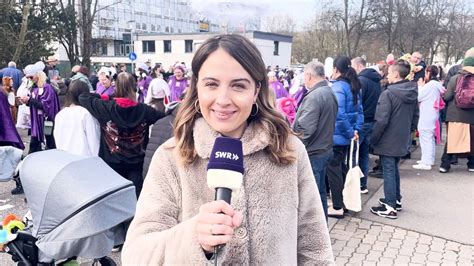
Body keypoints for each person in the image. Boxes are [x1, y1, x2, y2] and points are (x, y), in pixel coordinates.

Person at [122, 34, 333, 264]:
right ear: (197, 88)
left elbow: (315, 251)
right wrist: (193, 238)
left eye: (238, 85)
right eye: (211, 84)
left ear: (255, 91)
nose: (223, 99)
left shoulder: (289, 151)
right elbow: (137, 255)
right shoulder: (172, 156)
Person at [78, 72, 165, 197]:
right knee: (136, 200)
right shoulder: (145, 110)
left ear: (116, 88)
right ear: (134, 88)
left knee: (114, 200)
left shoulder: (105, 107)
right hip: (137, 164)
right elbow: (164, 119)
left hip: (111, 165)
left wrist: (107, 97)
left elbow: (84, 97)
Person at [370, 59, 419, 219]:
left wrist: (374, 138)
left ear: (396, 74)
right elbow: (415, 116)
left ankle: (390, 205)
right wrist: (408, 132)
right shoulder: (412, 91)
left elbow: (381, 120)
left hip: (388, 138)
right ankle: (395, 199)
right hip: (402, 136)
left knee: (389, 170)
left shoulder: (388, 94)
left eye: (390, 72)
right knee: (393, 168)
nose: (387, 75)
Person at [293, 61, 338, 220]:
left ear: (309, 76)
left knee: (312, 196)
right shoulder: (328, 91)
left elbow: (305, 130)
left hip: (314, 152)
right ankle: (322, 229)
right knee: (319, 194)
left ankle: (317, 232)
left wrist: (293, 146)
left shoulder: (315, 96)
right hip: (323, 149)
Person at [326, 56, 363, 219]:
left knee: (333, 169)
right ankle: (343, 201)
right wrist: (355, 130)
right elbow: (360, 112)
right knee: (341, 168)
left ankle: (337, 206)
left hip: (338, 136)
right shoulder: (354, 86)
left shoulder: (338, 88)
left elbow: (339, 115)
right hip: (347, 135)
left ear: (335, 69)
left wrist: (349, 132)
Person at [352, 57, 382, 193]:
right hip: (372, 120)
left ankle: (354, 184)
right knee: (364, 155)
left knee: (354, 155)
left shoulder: (361, 81)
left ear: (358, 66)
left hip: (362, 121)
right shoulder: (376, 81)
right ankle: (362, 184)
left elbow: (357, 102)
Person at [439, 55, 474, 173]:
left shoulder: (455, 78)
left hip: (455, 114)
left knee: (452, 140)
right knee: (471, 140)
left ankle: (445, 165)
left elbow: (447, 96)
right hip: (472, 115)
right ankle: (472, 164)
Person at [54, 80, 100, 157]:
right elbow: (94, 141)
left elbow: (57, 138)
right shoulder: (85, 113)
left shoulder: (60, 114)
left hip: (65, 158)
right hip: (84, 160)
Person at [19, 67, 60, 154]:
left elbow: (46, 105)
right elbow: (36, 103)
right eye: (28, 78)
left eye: (31, 77)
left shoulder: (47, 88)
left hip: (45, 119)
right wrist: (26, 101)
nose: (29, 79)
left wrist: (29, 100)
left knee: (49, 140)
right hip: (36, 120)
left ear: (38, 76)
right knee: (36, 141)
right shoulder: (34, 88)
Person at [413, 65, 443, 170]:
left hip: (427, 114)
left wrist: (420, 86)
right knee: (428, 138)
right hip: (432, 113)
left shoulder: (430, 85)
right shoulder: (436, 84)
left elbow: (419, 96)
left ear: (429, 73)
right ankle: (428, 159)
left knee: (425, 137)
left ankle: (426, 162)